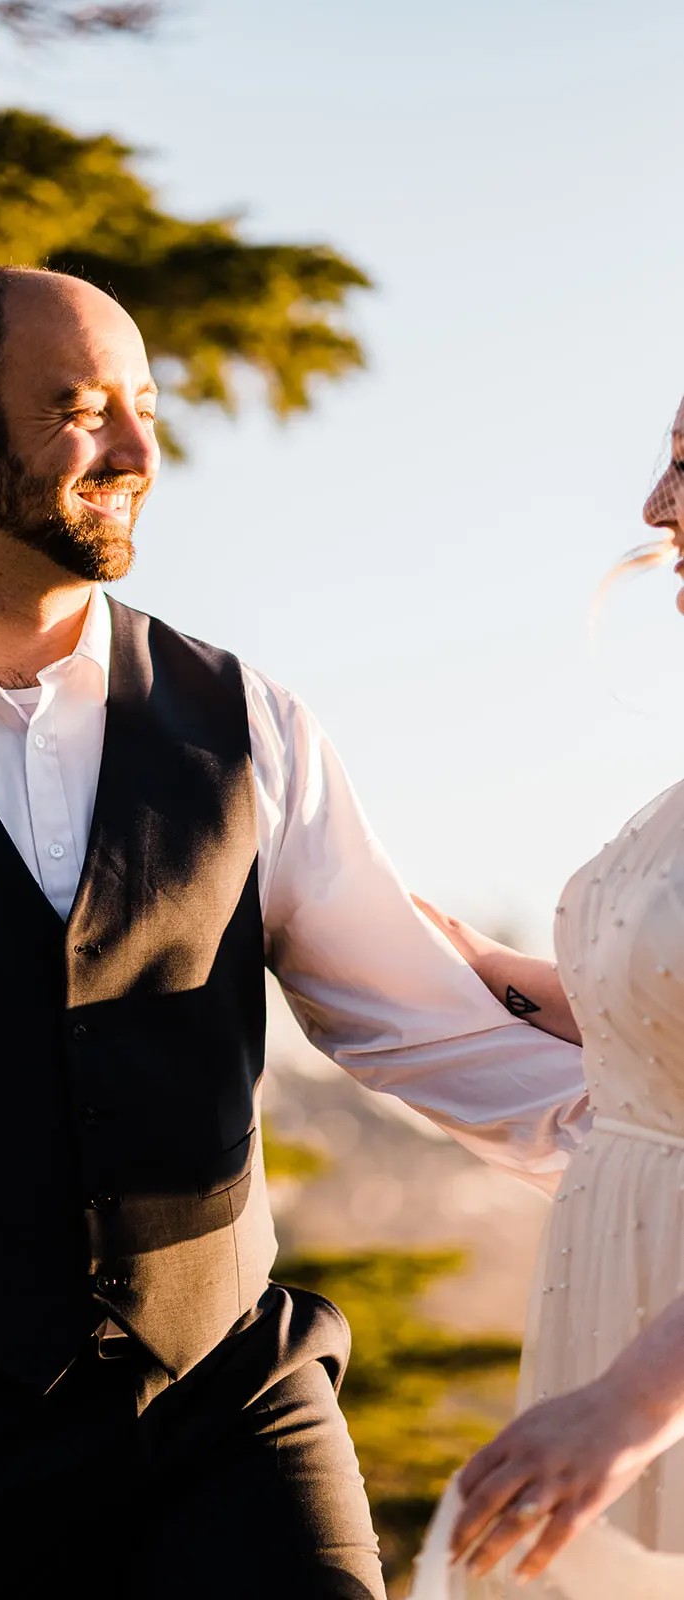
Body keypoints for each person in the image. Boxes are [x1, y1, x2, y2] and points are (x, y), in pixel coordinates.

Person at [0, 266, 588, 1599]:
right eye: (81, 410)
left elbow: (419, 1022)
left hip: (237, 1413)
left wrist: (643, 1154)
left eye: (142, 405)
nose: (137, 451)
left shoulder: (249, 721)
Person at [412, 395, 684, 1594]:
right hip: (612, 1292)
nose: (653, 508)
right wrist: (453, 955)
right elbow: (637, 1004)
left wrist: (630, 1404)